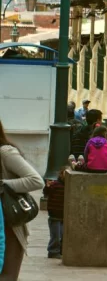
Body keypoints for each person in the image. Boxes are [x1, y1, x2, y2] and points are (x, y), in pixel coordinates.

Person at [0, 118, 44, 279]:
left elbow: (36, 180)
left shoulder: (5, 152)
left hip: (8, 226)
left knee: (6, 276)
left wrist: (3, 185)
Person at [43, 168, 66, 259]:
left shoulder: (70, 185)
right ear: (61, 174)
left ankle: (60, 251)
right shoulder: (55, 185)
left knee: (63, 235)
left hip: (64, 215)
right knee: (56, 235)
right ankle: (53, 251)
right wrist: (47, 186)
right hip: (54, 215)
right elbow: (46, 193)